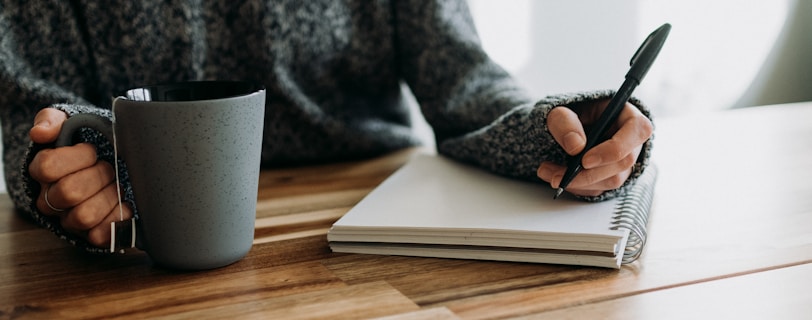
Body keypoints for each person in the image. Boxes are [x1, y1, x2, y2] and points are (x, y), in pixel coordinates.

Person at [0, 0, 653, 253]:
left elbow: (466, 84)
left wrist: (560, 126)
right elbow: (31, 106)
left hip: (382, 225)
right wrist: (62, 178)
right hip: (144, 238)